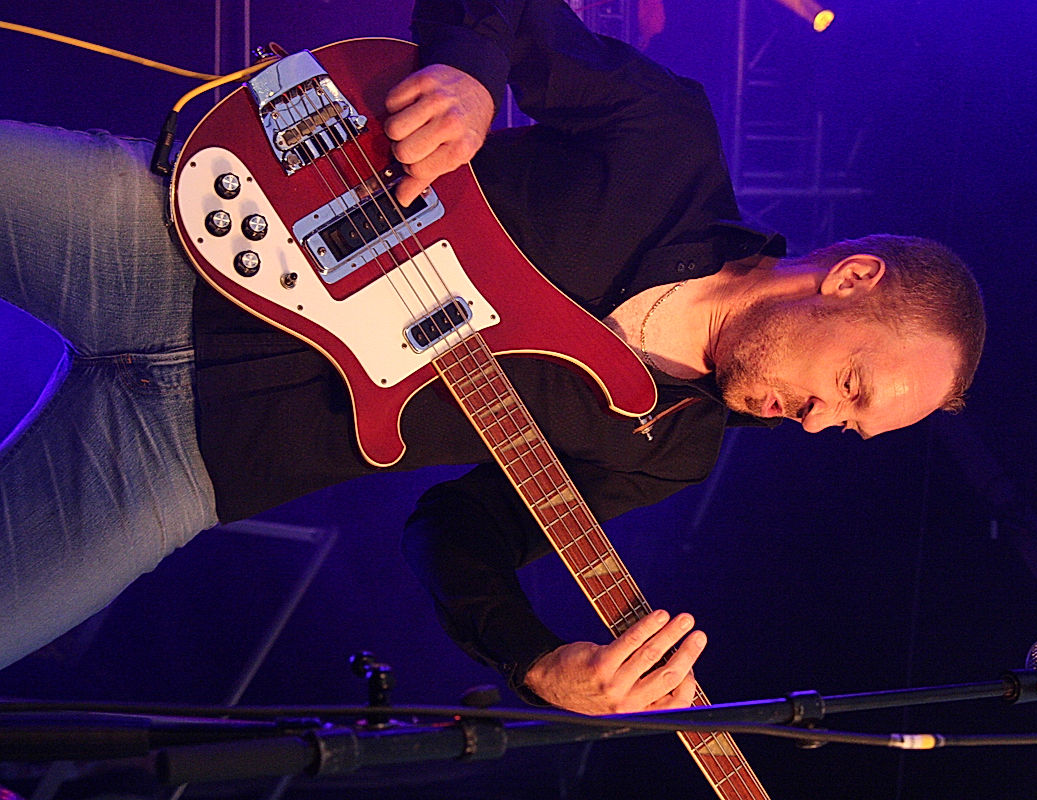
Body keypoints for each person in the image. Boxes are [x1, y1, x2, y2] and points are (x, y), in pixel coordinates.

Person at [0, 0, 984, 714]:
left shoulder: (671, 450)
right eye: (849, 384)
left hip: (187, 466)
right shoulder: (669, 146)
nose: (817, 419)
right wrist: (471, 71)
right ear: (851, 279)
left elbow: (460, 527)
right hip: (167, 241)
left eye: (849, 426)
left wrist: (536, 657)